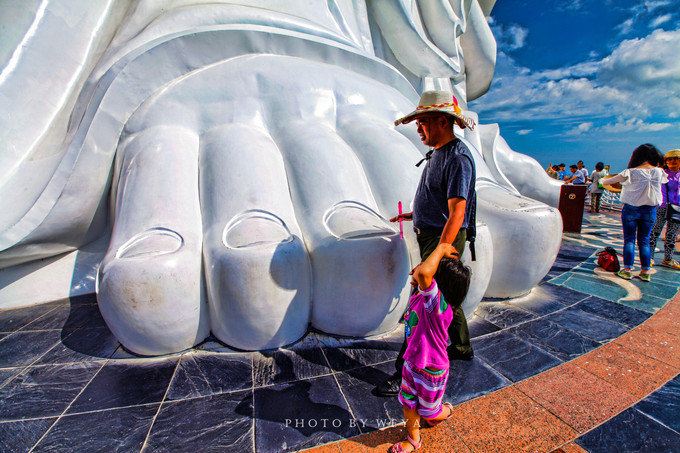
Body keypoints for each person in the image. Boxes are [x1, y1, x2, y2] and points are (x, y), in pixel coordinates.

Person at [377, 90, 477, 397]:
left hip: (443, 238)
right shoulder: (437, 153)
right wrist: (414, 212)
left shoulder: (458, 158)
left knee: (423, 305)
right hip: (432, 233)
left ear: (442, 122)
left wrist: (438, 254)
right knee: (446, 298)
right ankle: (460, 347)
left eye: (423, 122)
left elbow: (458, 210)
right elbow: (437, 197)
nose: (419, 129)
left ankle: (403, 371)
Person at [388, 244, 472, 453]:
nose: (423, 270)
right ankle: (414, 439)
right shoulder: (423, 298)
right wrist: (420, 272)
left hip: (431, 371)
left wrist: (442, 247)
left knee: (429, 413)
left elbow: (425, 273)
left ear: (437, 282)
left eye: (431, 270)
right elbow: (423, 273)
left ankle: (444, 411)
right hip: (412, 363)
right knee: (408, 404)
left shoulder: (439, 308)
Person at [602, 144, 666, 282]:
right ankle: (645, 272)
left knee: (629, 240)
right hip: (650, 211)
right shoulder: (659, 172)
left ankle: (627, 270)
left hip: (631, 209)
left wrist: (606, 181)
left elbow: (606, 182)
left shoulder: (629, 172)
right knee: (644, 241)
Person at [649, 149, 680, 270]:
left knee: (672, 234)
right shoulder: (661, 173)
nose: (673, 161)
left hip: (677, 208)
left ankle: (668, 259)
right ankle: (649, 257)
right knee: (655, 232)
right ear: (665, 161)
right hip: (662, 207)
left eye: (676, 159)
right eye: (670, 159)